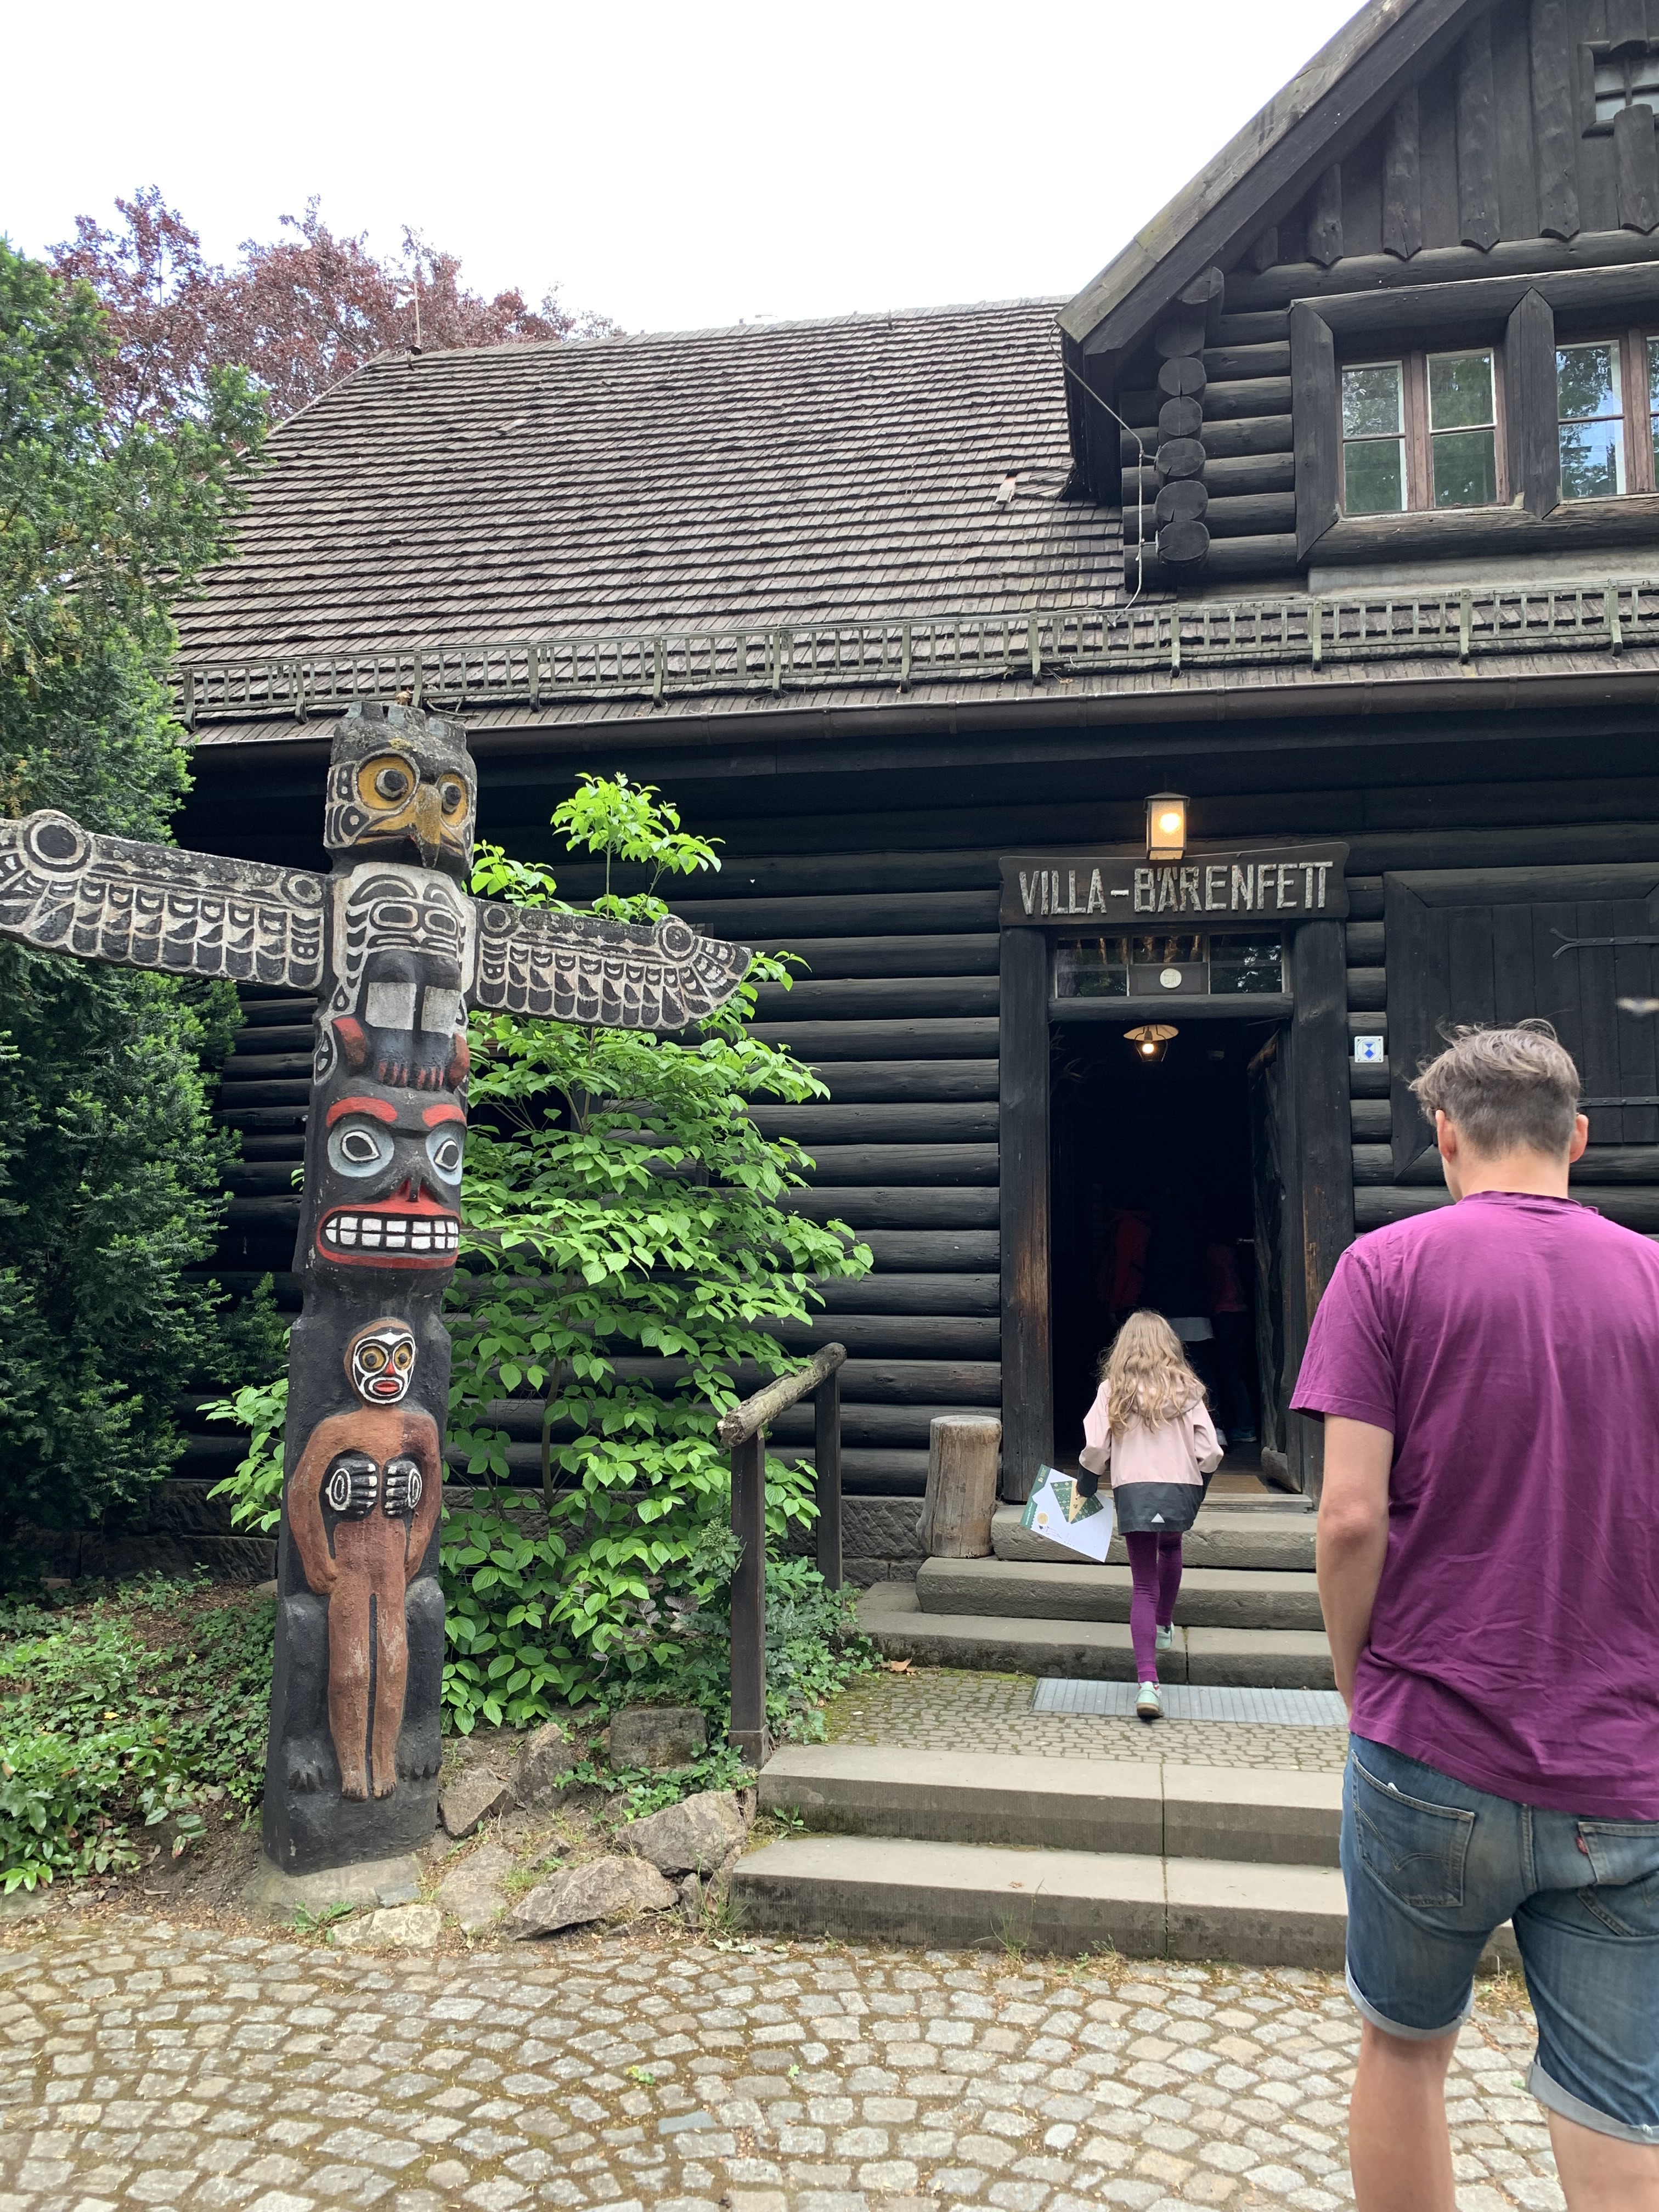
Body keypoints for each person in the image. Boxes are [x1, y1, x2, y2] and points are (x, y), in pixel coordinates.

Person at [1292, 1022, 1659, 2212]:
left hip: (1429, 1736)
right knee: (1616, 2101)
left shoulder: (1383, 1269)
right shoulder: (1654, 1278)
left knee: (1403, 2049)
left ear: (1444, 1137)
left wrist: (1358, 1680)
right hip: (1622, 1757)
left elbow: (1349, 1515)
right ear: (1577, 1139)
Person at [1078, 1308, 1223, 1721]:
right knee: (1171, 1548)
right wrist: (1199, 1488)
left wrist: (1086, 1484)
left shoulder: (1113, 1391)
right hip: (1179, 1489)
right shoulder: (1189, 1390)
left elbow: (1096, 1447)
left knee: (1143, 1584)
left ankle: (1148, 1684)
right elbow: (1211, 1452)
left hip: (1135, 1491)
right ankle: (1163, 1624)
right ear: (1169, 1347)